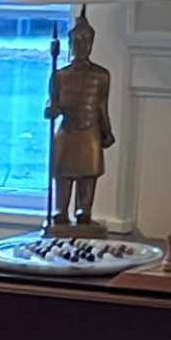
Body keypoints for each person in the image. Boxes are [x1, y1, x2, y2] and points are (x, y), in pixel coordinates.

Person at [42, 27, 117, 237]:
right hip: (67, 131)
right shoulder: (60, 76)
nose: (82, 46)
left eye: (86, 42)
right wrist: (52, 110)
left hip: (90, 132)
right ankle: (61, 210)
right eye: (77, 42)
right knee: (63, 174)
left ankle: (84, 210)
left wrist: (106, 131)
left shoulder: (101, 76)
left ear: (92, 45)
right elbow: (51, 106)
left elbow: (102, 106)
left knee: (88, 174)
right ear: (70, 44)